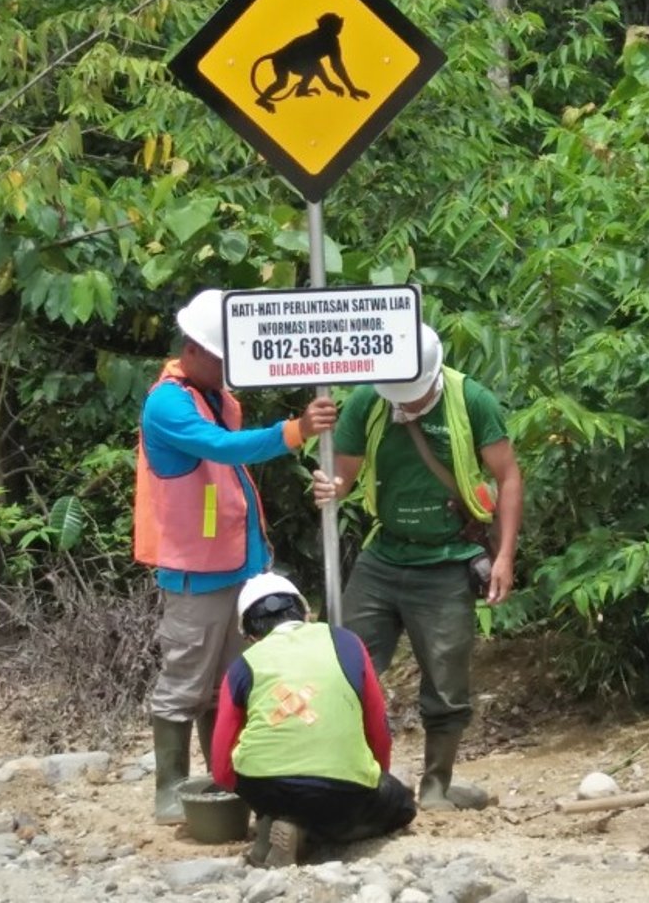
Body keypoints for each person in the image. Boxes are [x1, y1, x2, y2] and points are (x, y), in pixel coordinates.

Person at [134, 288, 337, 824]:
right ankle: (170, 790)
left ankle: (221, 779)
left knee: (228, 684)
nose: (230, 367)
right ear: (196, 349)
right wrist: (293, 432)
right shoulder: (168, 402)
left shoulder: (218, 396)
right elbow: (223, 449)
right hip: (195, 574)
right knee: (184, 683)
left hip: (238, 566)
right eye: (224, 356)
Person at [312, 323, 523, 810]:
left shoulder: (471, 400)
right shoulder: (369, 400)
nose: (404, 405)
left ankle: (435, 786)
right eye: (398, 398)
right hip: (384, 554)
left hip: (447, 560)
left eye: (413, 396)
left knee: (447, 681)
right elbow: (343, 474)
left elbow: (508, 475)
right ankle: (351, 776)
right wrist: (331, 489)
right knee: (341, 662)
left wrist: (506, 556)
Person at [210, 573, 416, 866]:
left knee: (286, 794)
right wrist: (374, 775)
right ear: (306, 613)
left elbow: (220, 767)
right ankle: (314, 832)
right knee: (402, 806)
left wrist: (254, 795)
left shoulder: (242, 666)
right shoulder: (347, 642)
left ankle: (278, 822)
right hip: (341, 788)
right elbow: (377, 729)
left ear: (249, 635)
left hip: (264, 788)